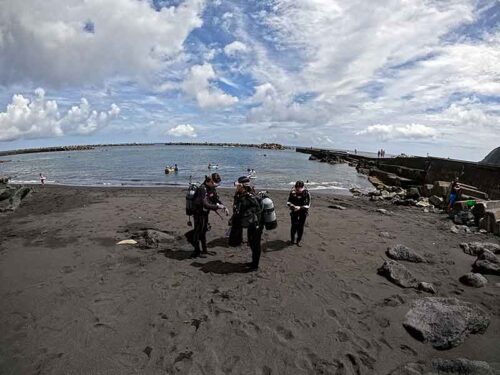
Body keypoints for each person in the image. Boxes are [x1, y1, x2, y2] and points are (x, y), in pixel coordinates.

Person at [185, 173, 228, 258]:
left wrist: (224, 206)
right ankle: (196, 251)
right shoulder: (202, 189)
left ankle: (204, 250)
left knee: (203, 231)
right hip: (198, 213)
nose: (215, 185)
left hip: (205, 213)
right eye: (214, 183)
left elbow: (215, 199)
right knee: (197, 232)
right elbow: (205, 204)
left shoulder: (211, 188)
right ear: (210, 181)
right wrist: (218, 206)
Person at [228, 176, 263, 271]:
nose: (236, 186)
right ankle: (253, 262)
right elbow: (238, 208)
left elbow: (257, 209)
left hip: (256, 223)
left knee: (255, 244)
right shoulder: (240, 194)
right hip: (251, 223)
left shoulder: (250, 196)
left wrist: (245, 215)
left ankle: (255, 265)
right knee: (251, 243)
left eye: (238, 185)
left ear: (243, 186)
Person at [287, 180, 311, 246]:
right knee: (294, 226)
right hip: (294, 211)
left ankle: (298, 241)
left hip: (303, 211)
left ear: (303, 187)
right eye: (297, 188)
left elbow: (308, 205)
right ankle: (292, 240)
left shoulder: (306, 193)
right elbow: (288, 202)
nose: (298, 189)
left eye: (300, 188)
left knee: (300, 226)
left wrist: (300, 208)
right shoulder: (292, 192)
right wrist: (292, 206)